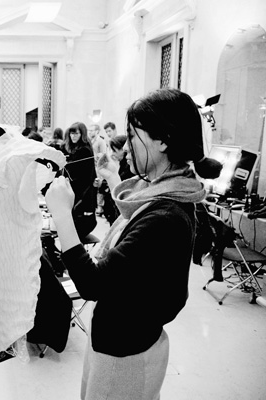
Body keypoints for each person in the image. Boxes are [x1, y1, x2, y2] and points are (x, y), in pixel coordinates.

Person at [45, 88, 222, 400]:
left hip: (124, 354)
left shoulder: (166, 217)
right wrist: (113, 177)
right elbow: (136, 221)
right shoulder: (170, 192)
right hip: (124, 341)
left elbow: (92, 283)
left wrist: (62, 216)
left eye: (132, 136)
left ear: (163, 140)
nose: (126, 147)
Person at [60, 122, 97, 239]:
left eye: (76, 133)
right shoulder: (73, 148)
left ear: (82, 134)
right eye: (71, 133)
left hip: (82, 191)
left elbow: (82, 174)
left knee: (76, 223)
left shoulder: (84, 150)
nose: (73, 136)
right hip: (76, 189)